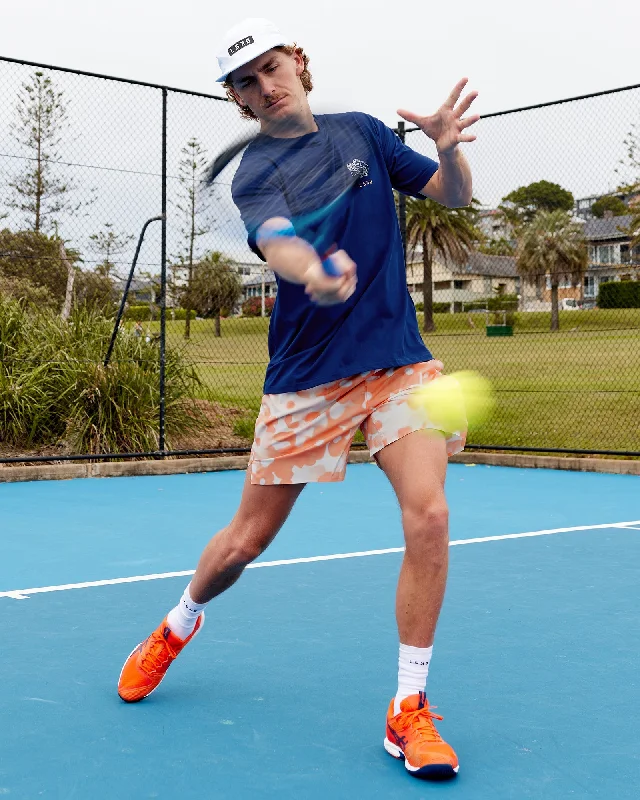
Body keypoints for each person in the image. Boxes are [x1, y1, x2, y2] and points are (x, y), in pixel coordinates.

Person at [117, 17, 479, 780]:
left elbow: (448, 195)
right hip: (306, 380)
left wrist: (446, 146)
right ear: (239, 102)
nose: (263, 86)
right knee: (245, 543)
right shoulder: (254, 172)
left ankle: (408, 710)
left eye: (271, 67)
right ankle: (179, 623)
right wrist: (309, 272)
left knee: (432, 513)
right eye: (245, 83)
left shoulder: (364, 134)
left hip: (396, 365)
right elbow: (278, 239)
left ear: (299, 63)